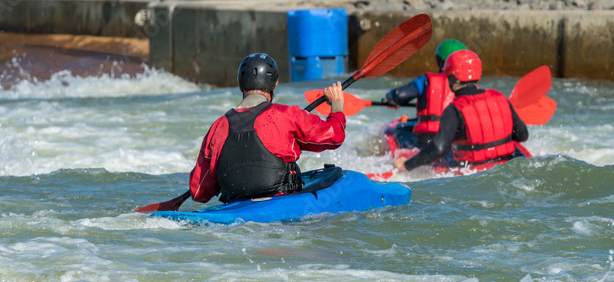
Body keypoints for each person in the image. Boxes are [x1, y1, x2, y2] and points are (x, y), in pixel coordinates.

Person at [188, 53, 346, 203]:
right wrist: (337, 106)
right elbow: (334, 136)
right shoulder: (288, 115)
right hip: (281, 210)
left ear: (239, 85)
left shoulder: (218, 127)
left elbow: (198, 193)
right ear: (275, 84)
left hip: (234, 214)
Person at [393, 50, 529, 173]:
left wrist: (407, 165)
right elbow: (522, 135)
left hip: (474, 174)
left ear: (452, 78)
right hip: (510, 169)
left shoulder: (454, 110)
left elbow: (438, 149)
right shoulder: (500, 98)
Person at [383, 39, 468, 148]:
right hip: (455, 142)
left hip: (427, 139)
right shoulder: (471, 88)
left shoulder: (426, 80)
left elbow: (399, 95)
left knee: (394, 130)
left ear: (439, 61)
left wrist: (391, 98)